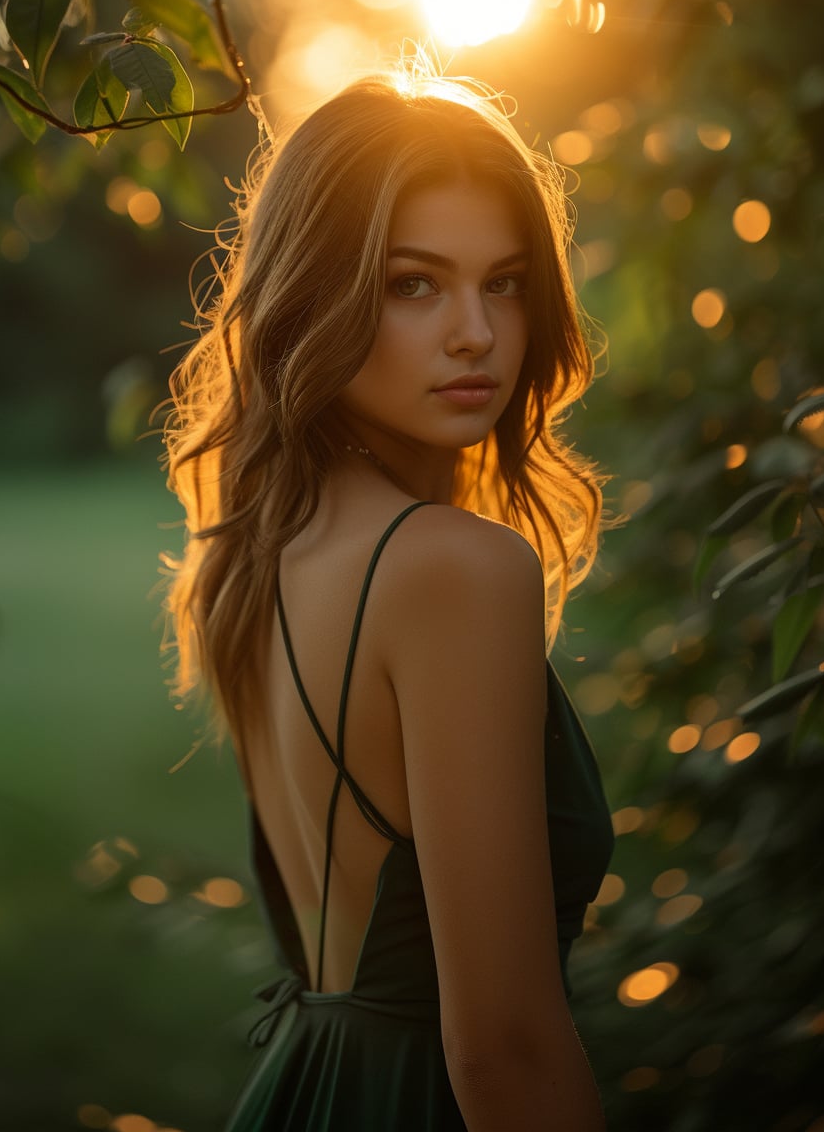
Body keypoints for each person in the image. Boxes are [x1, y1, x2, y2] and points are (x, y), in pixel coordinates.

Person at [162, 68, 615, 1131]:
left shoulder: (262, 552)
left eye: (503, 282)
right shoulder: (452, 570)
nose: (474, 333)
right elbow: (503, 1053)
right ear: (313, 294)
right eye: (413, 284)